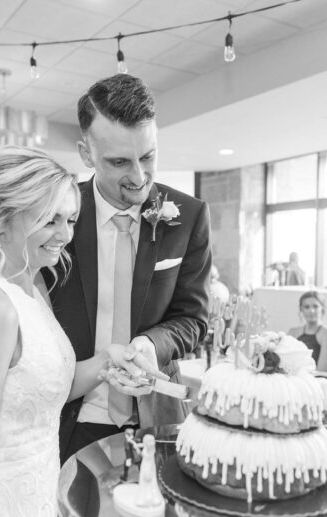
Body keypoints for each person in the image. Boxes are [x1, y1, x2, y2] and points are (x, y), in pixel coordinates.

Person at [0, 146, 162, 517]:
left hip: (38, 507)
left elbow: (44, 388)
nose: (65, 234)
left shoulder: (33, 287)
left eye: (70, 219)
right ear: (2, 222)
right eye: (49, 219)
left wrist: (109, 359)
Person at [49, 72, 212, 463]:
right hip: (71, 418)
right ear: (86, 153)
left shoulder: (188, 216)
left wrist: (152, 344)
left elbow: (193, 318)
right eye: (120, 161)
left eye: (148, 156)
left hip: (159, 419)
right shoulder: (57, 214)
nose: (139, 177)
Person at [288, 291, 327, 372]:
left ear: (322, 309)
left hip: (312, 381)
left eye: (315, 306)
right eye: (307, 307)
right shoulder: (292, 332)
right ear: (301, 310)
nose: (311, 311)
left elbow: (321, 372)